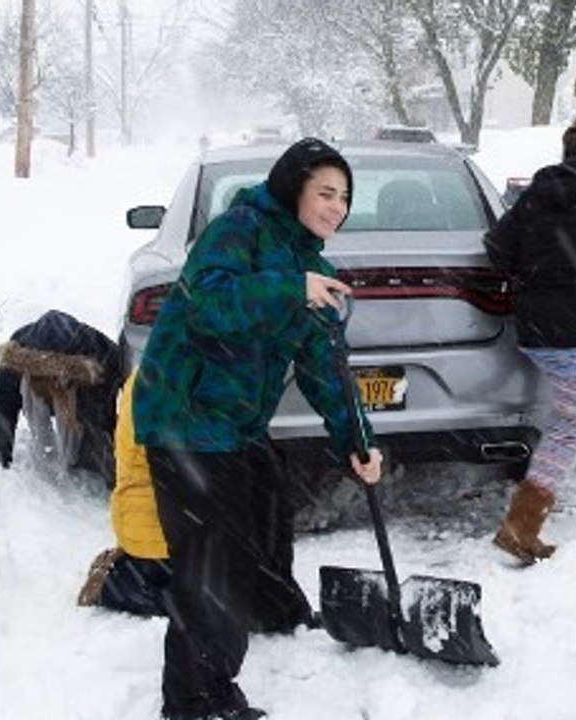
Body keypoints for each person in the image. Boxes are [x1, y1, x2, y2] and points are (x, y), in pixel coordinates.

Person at [133, 137, 383, 720]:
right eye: (325, 193)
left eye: (344, 197)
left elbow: (325, 368)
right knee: (210, 560)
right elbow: (208, 305)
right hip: (184, 417)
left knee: (266, 508)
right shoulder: (238, 229)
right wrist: (289, 288)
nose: (336, 208)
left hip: (236, 424)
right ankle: (195, 700)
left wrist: (358, 442)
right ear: (292, 187)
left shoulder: (313, 266)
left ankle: (273, 609)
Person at [483, 122, 576, 565]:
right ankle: (520, 527)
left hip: (538, 329)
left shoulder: (536, 195)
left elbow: (498, 245)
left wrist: (533, 274)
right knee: (572, 421)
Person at [0, 309, 122, 487]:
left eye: (56, 376)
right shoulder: (16, 358)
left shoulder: (100, 356)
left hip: (85, 386)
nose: (51, 381)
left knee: (94, 436)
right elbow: (3, 408)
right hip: (60, 375)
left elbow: (114, 411)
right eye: (42, 375)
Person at [78, 371, 170, 617]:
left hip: (143, 516)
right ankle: (111, 586)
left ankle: (123, 574)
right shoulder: (167, 384)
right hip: (158, 523)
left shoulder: (148, 374)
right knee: (204, 600)